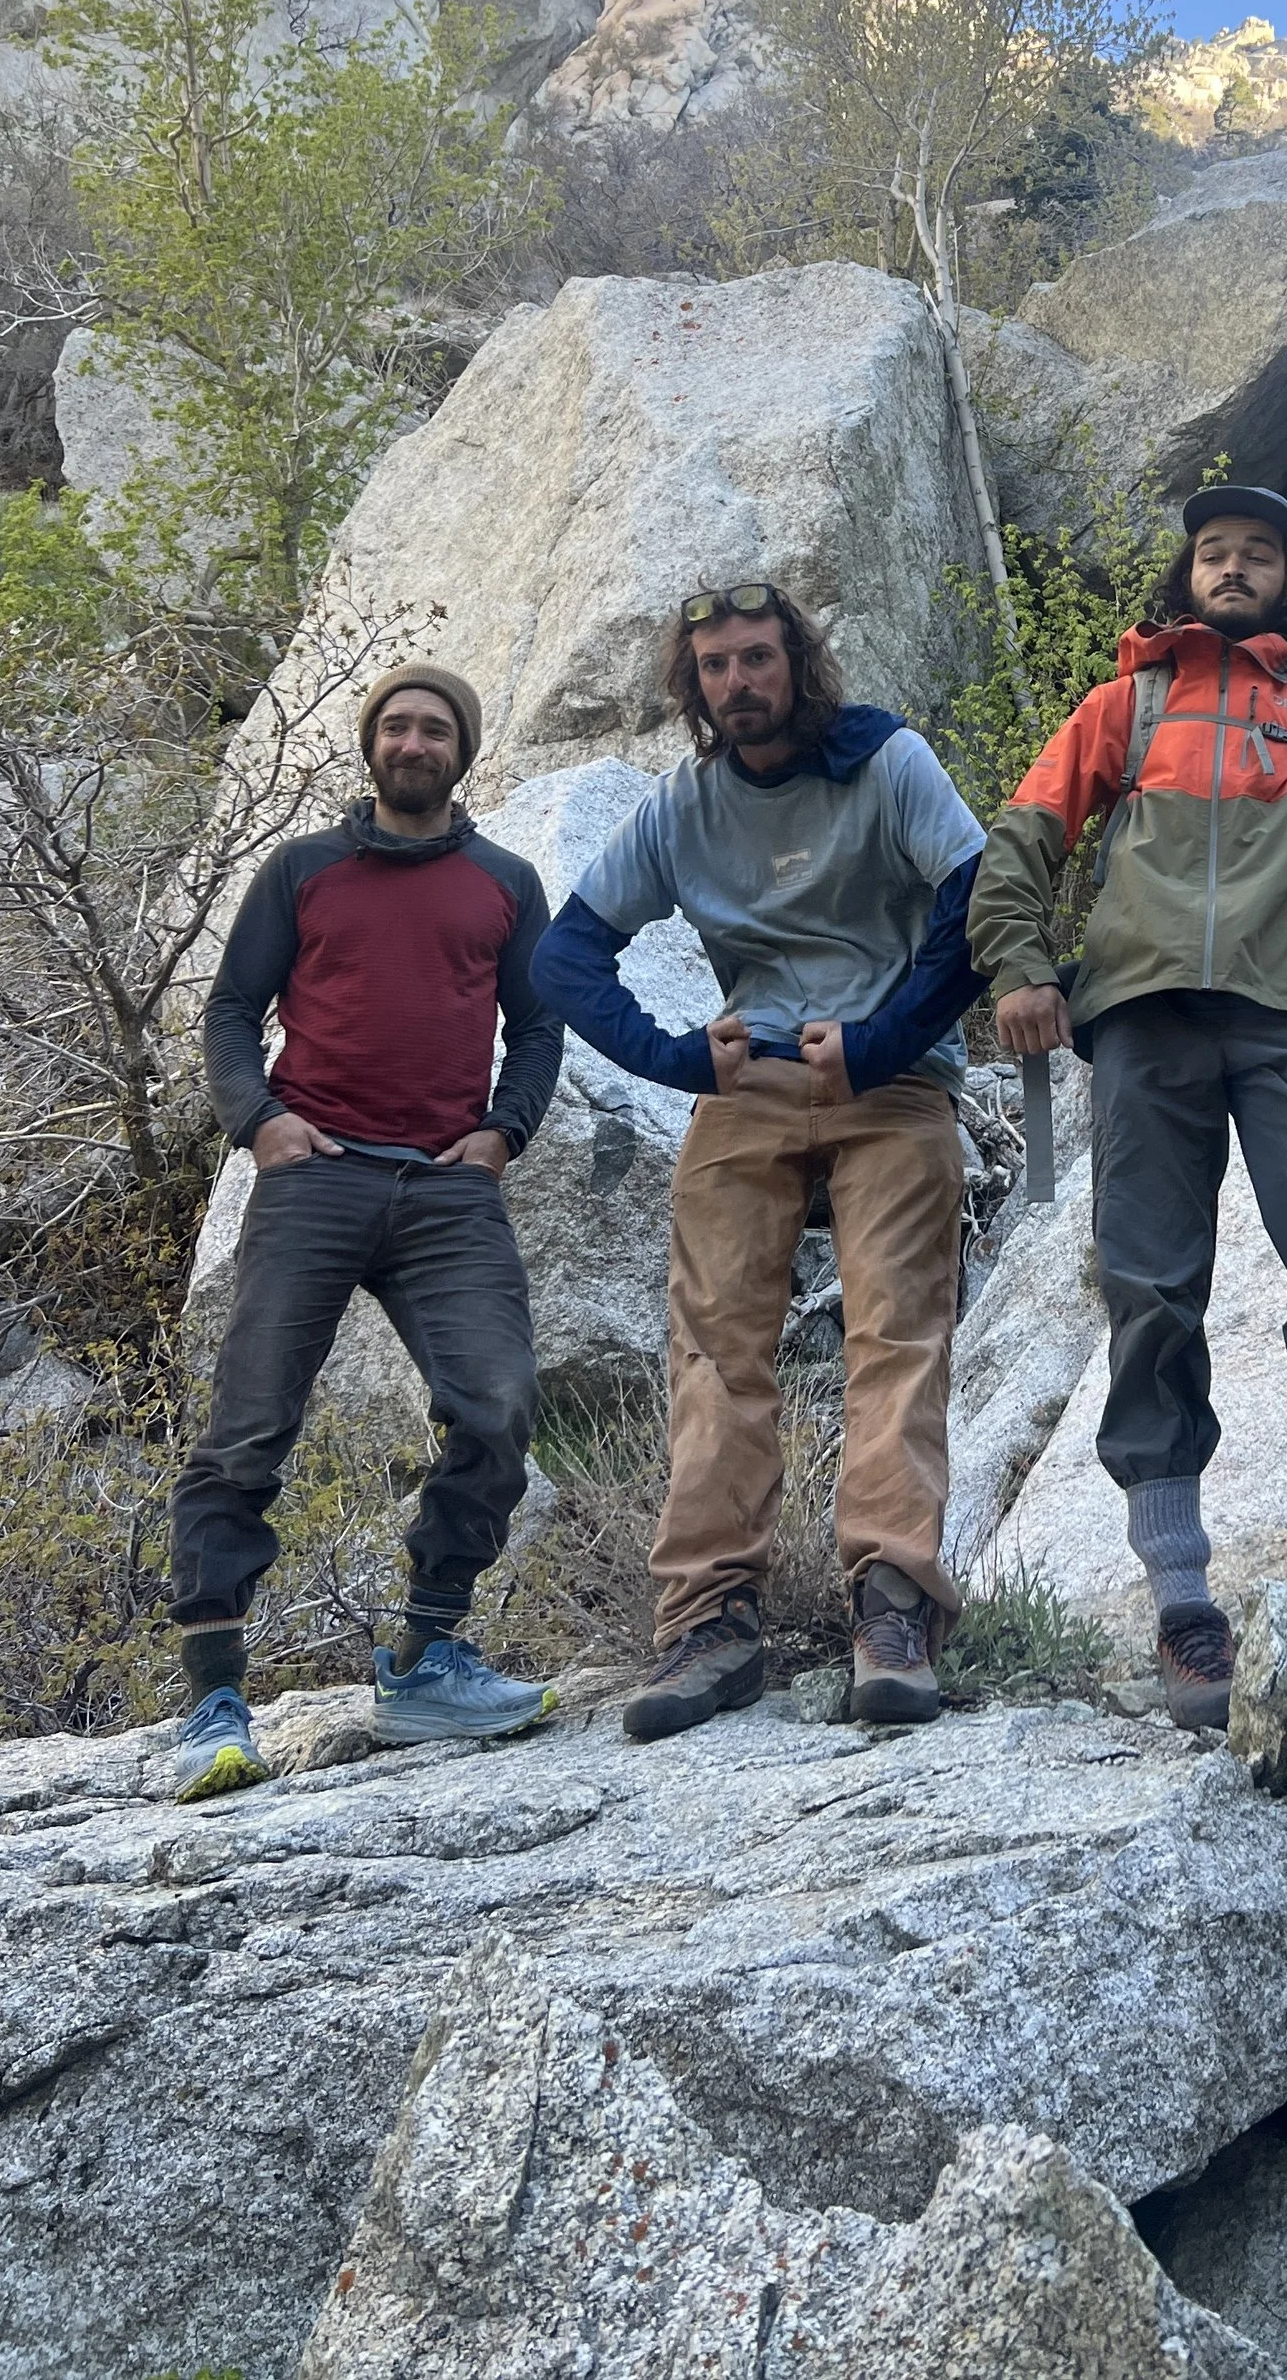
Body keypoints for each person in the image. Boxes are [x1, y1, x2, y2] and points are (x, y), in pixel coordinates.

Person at [969, 483, 1287, 1733]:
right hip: (1145, 1018)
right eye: (1215, 552)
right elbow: (1020, 843)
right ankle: (1181, 1601)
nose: (1235, 568)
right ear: (1187, 576)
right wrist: (1021, 965)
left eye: (1259, 553)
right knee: (1150, 1287)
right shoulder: (1121, 707)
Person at [531, 582, 985, 1739]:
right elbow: (566, 957)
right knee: (714, 1350)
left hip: (892, 1083)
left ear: (798, 663)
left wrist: (885, 1036)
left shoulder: (886, 762)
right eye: (716, 666)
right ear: (693, 686)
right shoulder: (683, 805)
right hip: (751, 1088)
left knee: (896, 1334)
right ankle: (705, 1624)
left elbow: (979, 900)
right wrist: (678, 1057)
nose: (739, 682)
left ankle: (892, 1609)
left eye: (757, 658)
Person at [168, 663, 564, 1804]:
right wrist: (261, 1121)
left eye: (435, 728)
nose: (413, 741)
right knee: (249, 1428)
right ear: (370, 745)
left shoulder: (505, 882)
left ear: (462, 752)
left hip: (448, 1191)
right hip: (316, 1178)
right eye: (395, 724)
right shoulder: (303, 870)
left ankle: (429, 1660)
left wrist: (504, 1134)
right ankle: (211, 1703)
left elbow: (537, 1028)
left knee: (496, 1406)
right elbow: (233, 1009)